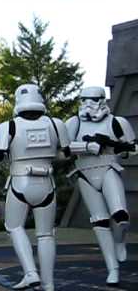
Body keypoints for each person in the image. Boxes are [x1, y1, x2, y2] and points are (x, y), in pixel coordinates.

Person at [0, 84, 70, 291]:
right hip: (47, 183)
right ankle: (48, 283)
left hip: (20, 182)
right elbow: (67, 153)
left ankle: (30, 272)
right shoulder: (56, 124)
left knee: (14, 227)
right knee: (45, 235)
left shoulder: (7, 127)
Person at [65, 86, 136, 285]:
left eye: (93, 100)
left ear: (102, 100)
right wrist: (87, 147)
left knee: (120, 216)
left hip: (108, 168)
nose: (88, 104)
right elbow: (62, 149)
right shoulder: (74, 123)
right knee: (100, 222)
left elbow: (132, 148)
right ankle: (112, 269)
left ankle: (120, 241)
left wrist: (116, 146)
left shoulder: (116, 122)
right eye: (84, 99)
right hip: (85, 173)